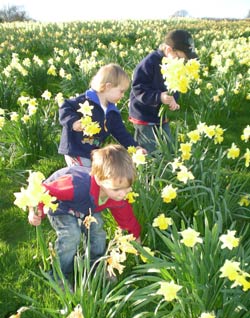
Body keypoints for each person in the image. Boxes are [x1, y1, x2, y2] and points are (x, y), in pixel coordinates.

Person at [28, 144, 141, 280]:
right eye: (117, 189)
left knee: (98, 232)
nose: (122, 194)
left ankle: (96, 266)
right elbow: (42, 190)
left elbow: (126, 218)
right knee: (71, 235)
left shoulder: (117, 195)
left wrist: (135, 236)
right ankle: (59, 274)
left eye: (127, 188)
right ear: (99, 180)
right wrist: (35, 210)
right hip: (62, 205)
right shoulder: (76, 185)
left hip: (85, 207)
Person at [58, 63, 145, 168]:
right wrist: (73, 122)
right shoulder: (85, 101)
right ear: (108, 86)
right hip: (75, 149)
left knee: (91, 176)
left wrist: (136, 147)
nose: (123, 95)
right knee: (84, 175)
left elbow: (122, 134)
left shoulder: (112, 112)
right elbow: (65, 107)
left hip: (92, 152)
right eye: (121, 91)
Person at [129, 29, 198, 153]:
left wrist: (173, 100)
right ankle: (146, 170)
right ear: (169, 50)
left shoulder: (175, 64)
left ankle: (165, 166)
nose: (183, 62)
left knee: (168, 146)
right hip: (143, 114)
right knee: (147, 149)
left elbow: (174, 86)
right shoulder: (150, 62)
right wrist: (159, 97)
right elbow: (138, 88)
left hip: (160, 115)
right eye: (181, 58)